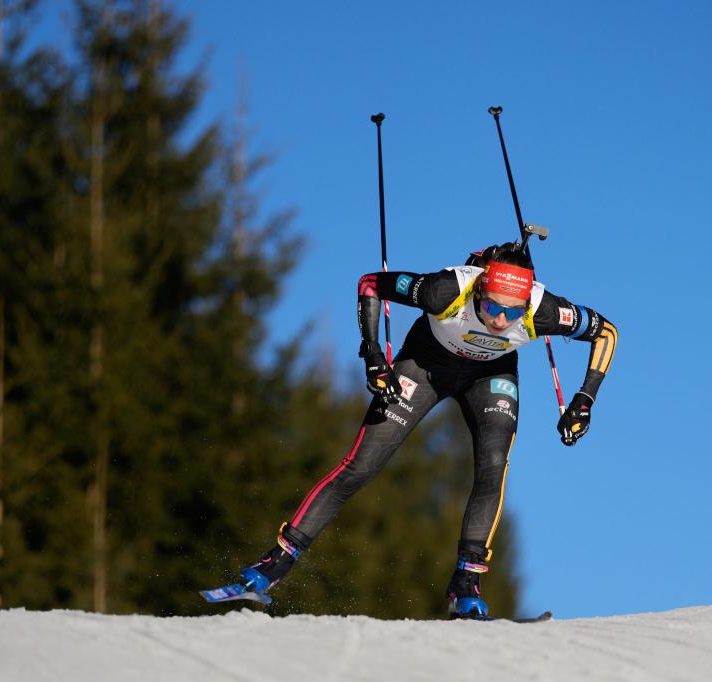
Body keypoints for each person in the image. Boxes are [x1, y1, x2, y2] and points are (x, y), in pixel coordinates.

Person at [233, 242, 617, 618]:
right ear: (480, 288)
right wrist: (372, 353)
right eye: (490, 306)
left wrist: (584, 400)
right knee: (362, 465)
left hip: (490, 375)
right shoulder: (444, 290)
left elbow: (607, 332)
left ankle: (466, 584)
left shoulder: (545, 310)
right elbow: (370, 283)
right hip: (426, 364)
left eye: (512, 313)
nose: (500, 320)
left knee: (494, 464)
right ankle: (275, 562)